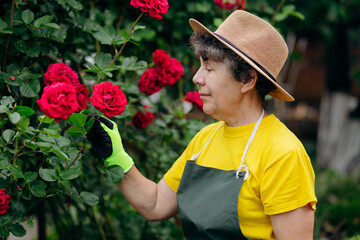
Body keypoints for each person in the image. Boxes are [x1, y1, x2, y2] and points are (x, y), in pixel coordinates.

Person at [87, 10, 317, 240]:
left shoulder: (283, 154)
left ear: (247, 80)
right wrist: (116, 157)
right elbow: (155, 203)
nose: (197, 78)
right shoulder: (205, 140)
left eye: (209, 68)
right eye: (200, 66)